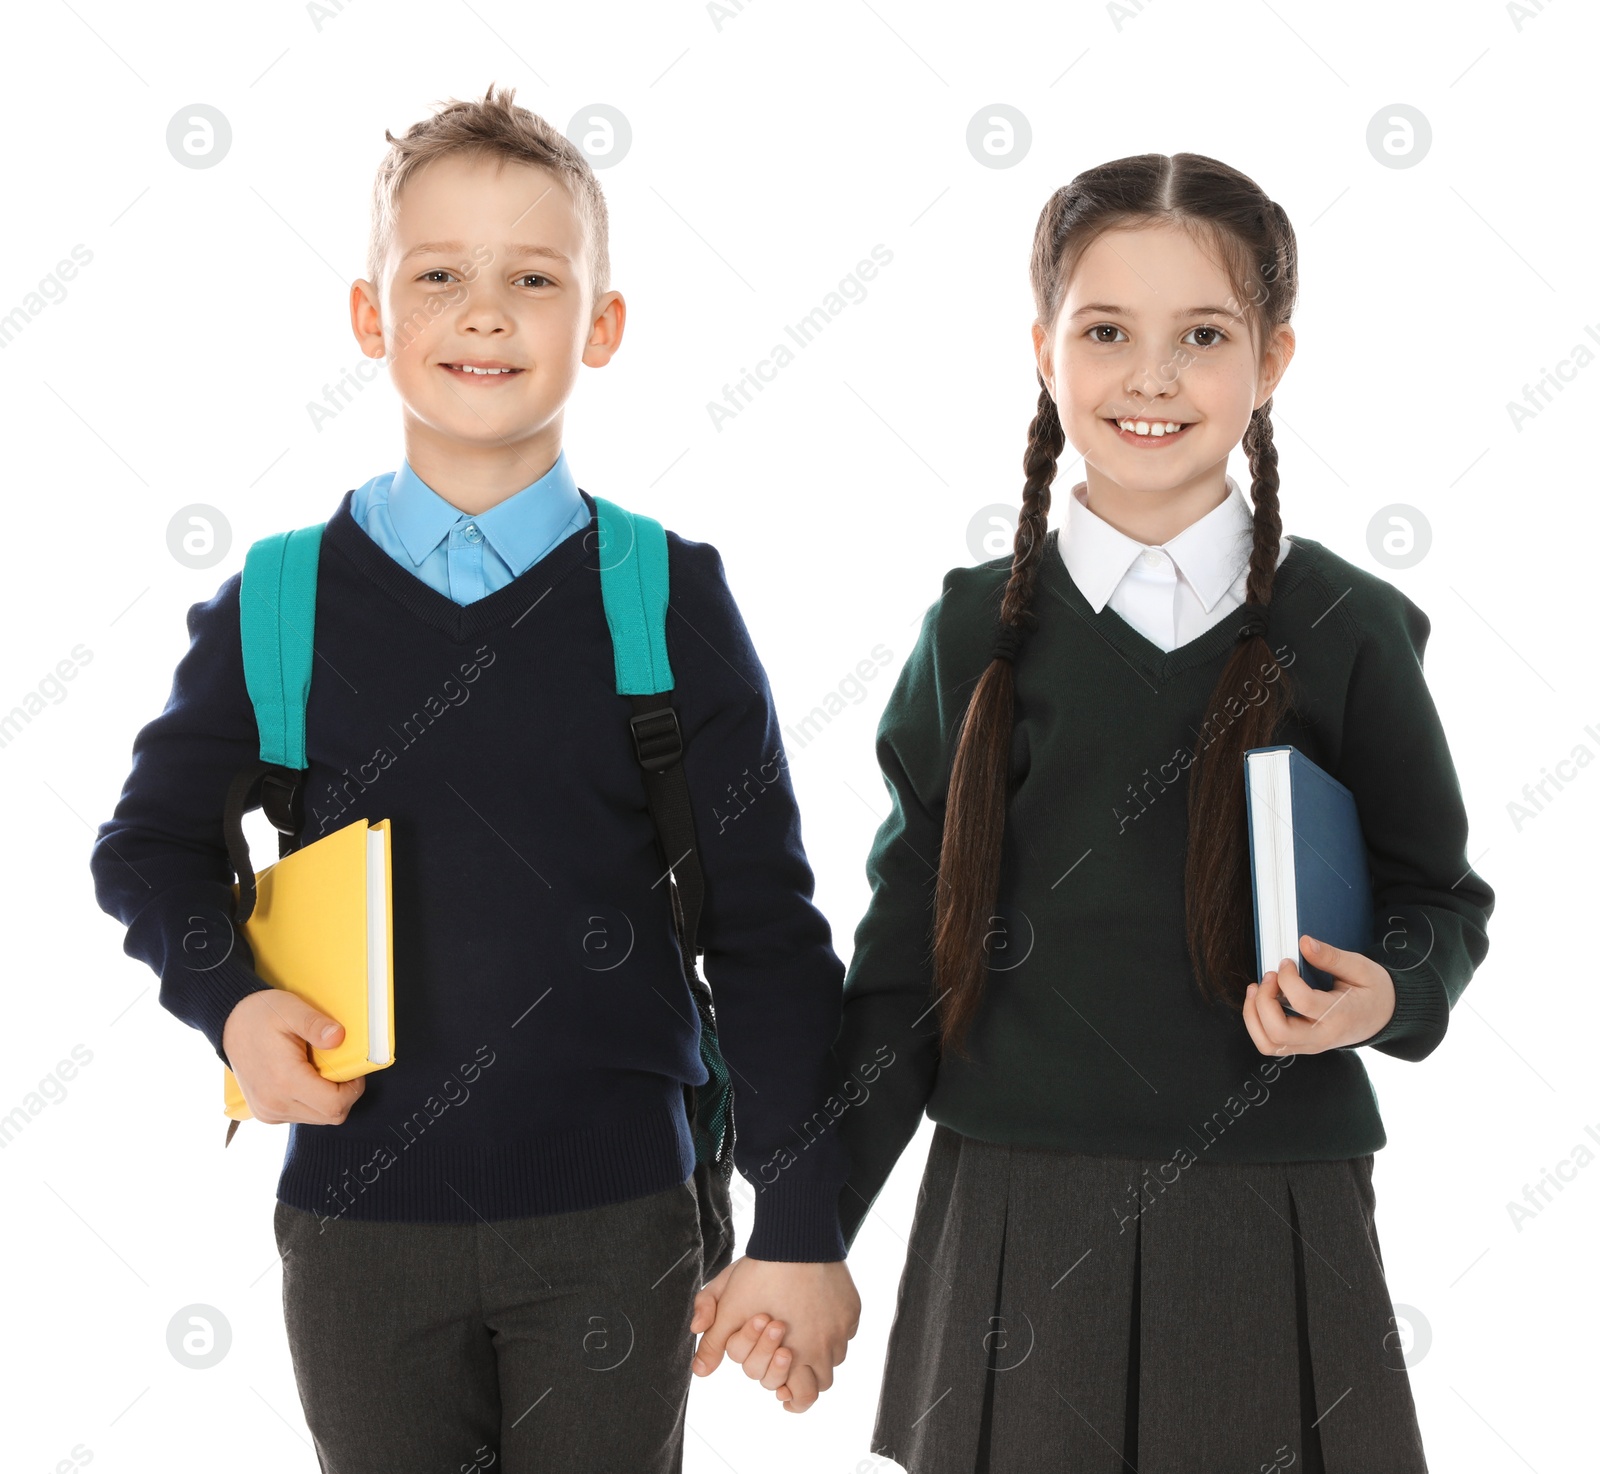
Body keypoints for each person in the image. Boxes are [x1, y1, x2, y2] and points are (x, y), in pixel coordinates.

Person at [88, 83, 857, 1473]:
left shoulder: (663, 598)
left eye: (533, 278)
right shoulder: (283, 602)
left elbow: (767, 931)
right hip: (356, 1229)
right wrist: (236, 1001)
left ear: (601, 325)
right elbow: (146, 851)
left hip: (619, 1220)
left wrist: (801, 1224)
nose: (485, 313)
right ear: (372, 320)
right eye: (437, 275)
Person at [694, 152, 1493, 1471]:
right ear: (1043, 348)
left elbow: (1436, 901)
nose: (1152, 377)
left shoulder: (1342, 625)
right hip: (1013, 1202)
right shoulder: (970, 636)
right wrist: (802, 1233)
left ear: (1274, 358)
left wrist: (1382, 995)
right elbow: (901, 983)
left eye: (1204, 336)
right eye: (1107, 331)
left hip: (1270, 1197)